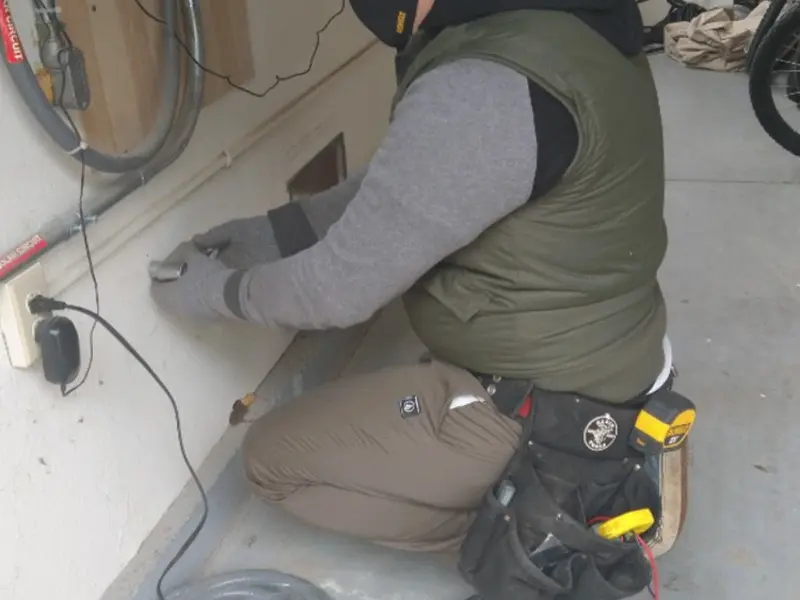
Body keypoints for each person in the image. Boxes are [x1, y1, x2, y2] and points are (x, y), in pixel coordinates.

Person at [152, 0, 691, 597]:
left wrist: (215, 292)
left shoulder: (487, 80)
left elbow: (335, 290)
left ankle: (541, 535)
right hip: (612, 354)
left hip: (551, 408)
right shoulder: (563, 28)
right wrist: (265, 236)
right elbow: (406, 181)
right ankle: (586, 476)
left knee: (275, 460)